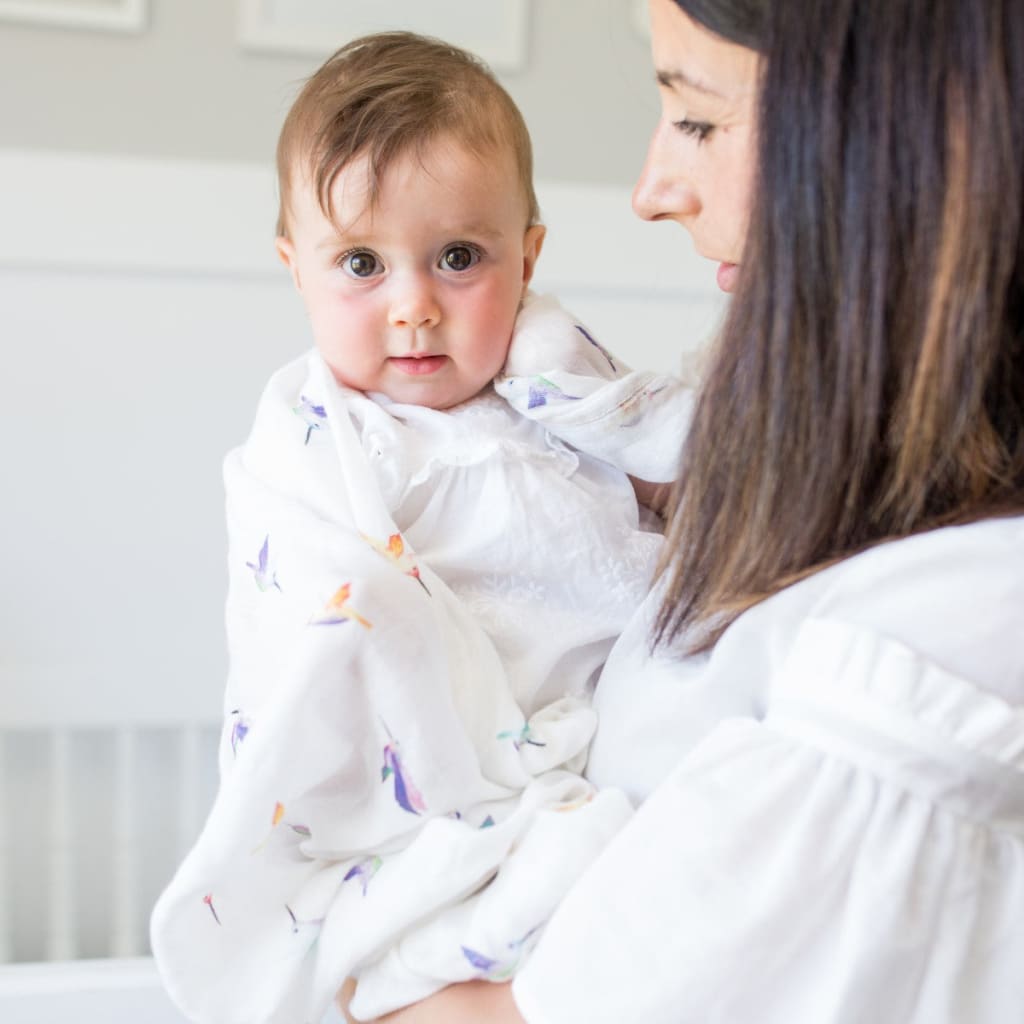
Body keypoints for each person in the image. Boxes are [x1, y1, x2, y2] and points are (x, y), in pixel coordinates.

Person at [358, 0, 1024, 1021]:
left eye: (699, 120)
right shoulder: (813, 473)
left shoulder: (939, 639)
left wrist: (343, 967)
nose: (652, 191)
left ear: (925, 140)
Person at [149, 30, 692, 1024]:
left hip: (603, 740)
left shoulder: (559, 385)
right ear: (296, 267)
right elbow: (317, 610)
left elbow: (673, 477)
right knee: (445, 942)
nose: (413, 307)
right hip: (433, 790)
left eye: (458, 258)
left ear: (527, 257)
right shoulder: (318, 440)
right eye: (361, 262)